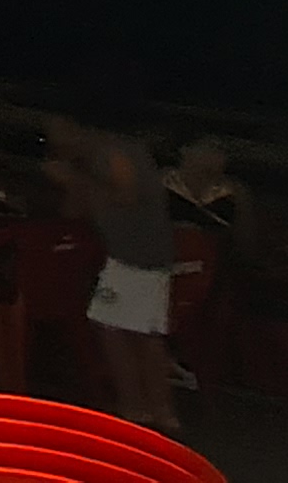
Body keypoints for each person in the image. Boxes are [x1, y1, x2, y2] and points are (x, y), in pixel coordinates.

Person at [48, 115, 186, 432]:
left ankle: (143, 409)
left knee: (127, 332)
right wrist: (70, 178)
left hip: (139, 256)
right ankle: (151, 410)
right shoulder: (96, 157)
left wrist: (74, 178)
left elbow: (126, 197)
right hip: (129, 255)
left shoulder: (115, 153)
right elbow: (74, 211)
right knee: (129, 329)